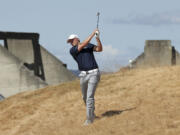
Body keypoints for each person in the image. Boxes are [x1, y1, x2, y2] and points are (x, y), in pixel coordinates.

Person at [67, 29, 103, 125]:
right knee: (84, 97)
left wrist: (97, 38)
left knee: (90, 97)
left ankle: (89, 120)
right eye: (69, 42)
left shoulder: (88, 45)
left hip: (94, 73)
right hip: (83, 75)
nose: (70, 43)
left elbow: (99, 49)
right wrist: (92, 34)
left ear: (77, 39)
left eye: (71, 40)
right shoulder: (73, 50)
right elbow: (83, 45)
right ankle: (92, 113)